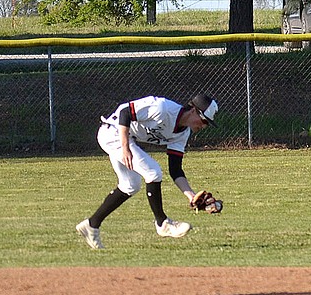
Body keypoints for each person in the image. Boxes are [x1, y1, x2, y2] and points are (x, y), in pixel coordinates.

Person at [76, 94, 219, 249]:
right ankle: (162, 223)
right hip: (113, 133)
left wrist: (191, 196)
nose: (204, 126)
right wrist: (125, 147)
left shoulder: (183, 134)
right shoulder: (162, 108)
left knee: (130, 185)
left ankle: (91, 225)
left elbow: (175, 170)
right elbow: (125, 112)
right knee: (153, 172)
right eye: (204, 121)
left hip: (127, 138)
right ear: (193, 111)